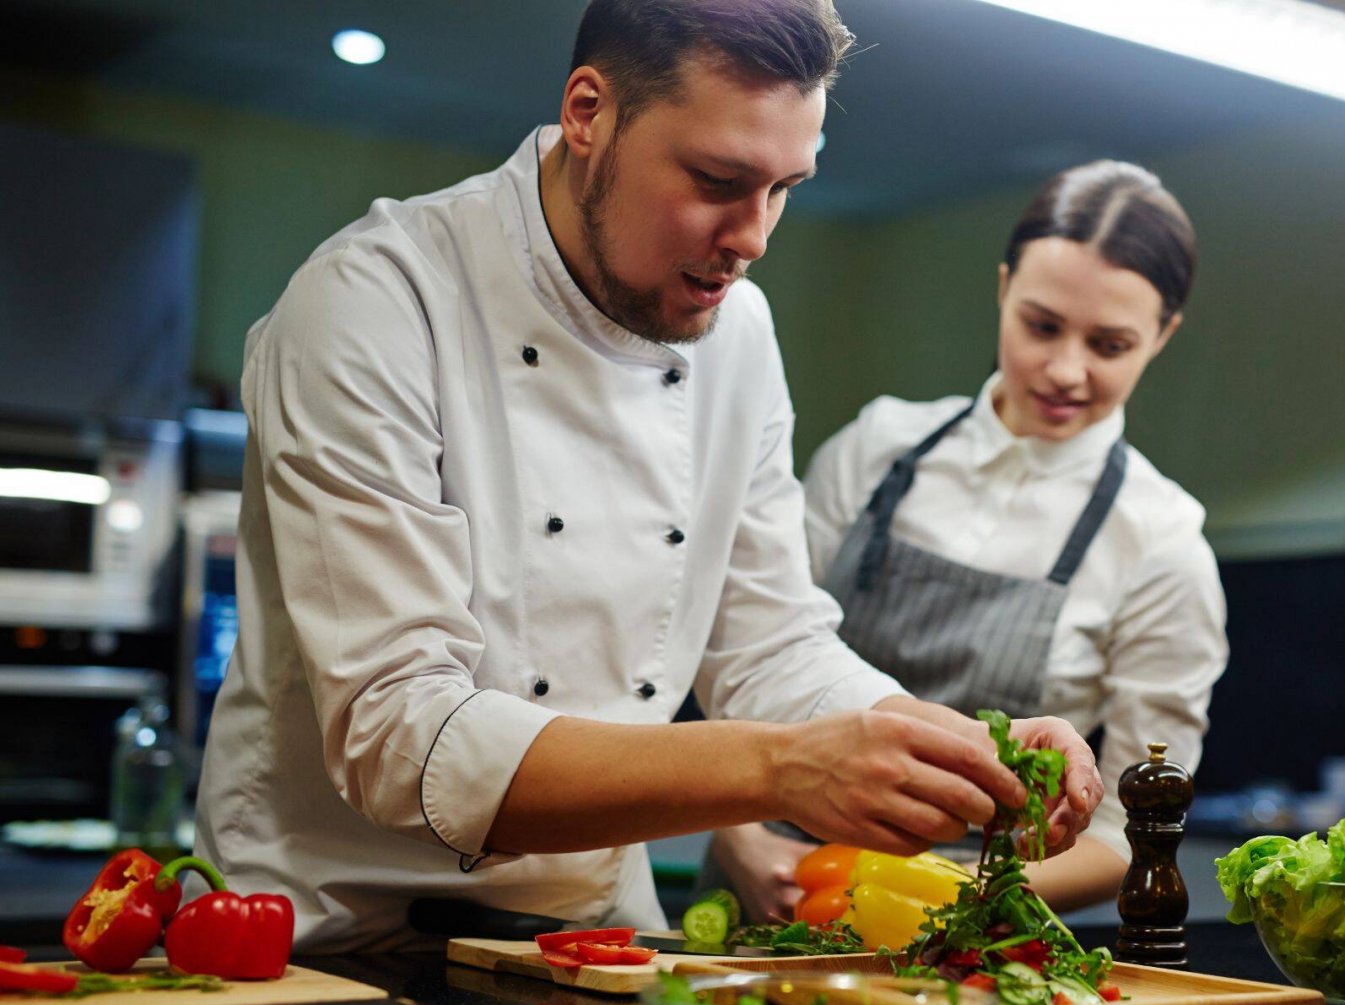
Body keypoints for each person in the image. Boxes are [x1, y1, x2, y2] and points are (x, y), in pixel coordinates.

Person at [194, 0, 1105, 952]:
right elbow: (398, 734)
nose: (753, 237)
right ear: (588, 112)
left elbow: (772, 646)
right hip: (328, 930)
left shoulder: (737, 331)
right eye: (719, 179)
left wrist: (964, 752)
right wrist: (781, 768)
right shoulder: (375, 303)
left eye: (786, 188)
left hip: (587, 928)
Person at [709, 161, 1228, 920]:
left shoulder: (1163, 542)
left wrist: (935, 901)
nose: (1065, 369)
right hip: (772, 884)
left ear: (1163, 335)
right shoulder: (877, 448)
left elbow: (1130, 834)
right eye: (1041, 325)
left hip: (971, 929)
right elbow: (747, 656)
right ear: (1003, 287)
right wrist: (738, 837)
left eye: (1110, 345)